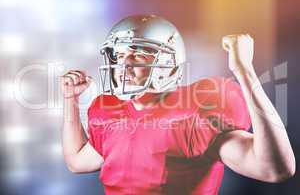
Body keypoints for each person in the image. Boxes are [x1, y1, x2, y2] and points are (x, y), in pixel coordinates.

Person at [60, 15, 295, 195]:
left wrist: (244, 71)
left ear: (169, 65)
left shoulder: (194, 116)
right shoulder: (111, 114)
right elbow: (77, 161)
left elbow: (274, 169)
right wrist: (70, 100)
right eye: (118, 56)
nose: (123, 65)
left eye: (137, 56)